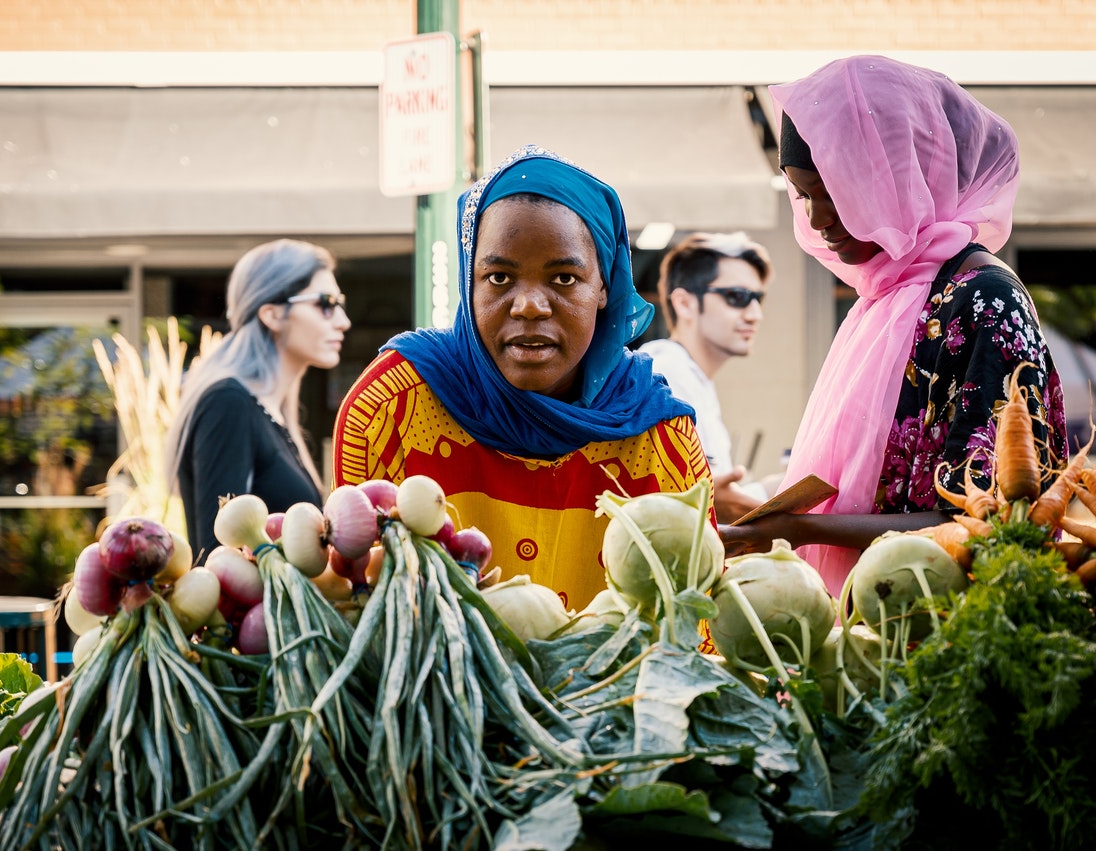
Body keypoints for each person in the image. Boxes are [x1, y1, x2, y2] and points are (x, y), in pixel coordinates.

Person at [721, 55, 1068, 595]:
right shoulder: (884, 299)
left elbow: (997, 526)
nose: (815, 220)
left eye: (833, 193)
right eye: (804, 195)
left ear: (904, 176)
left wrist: (799, 529)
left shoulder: (984, 301)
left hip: (950, 638)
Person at [333, 144, 711, 610]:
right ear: (469, 283)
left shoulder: (656, 436)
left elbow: (695, 628)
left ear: (603, 287)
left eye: (564, 278)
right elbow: (357, 597)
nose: (529, 305)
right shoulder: (391, 407)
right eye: (498, 278)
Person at [168, 239, 350, 556]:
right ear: (272, 314)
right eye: (326, 303)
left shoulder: (271, 414)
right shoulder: (228, 404)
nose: (342, 321)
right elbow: (219, 559)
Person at [639, 231, 773, 523]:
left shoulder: (689, 375)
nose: (754, 314)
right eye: (737, 297)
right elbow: (668, 508)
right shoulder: (664, 376)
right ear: (685, 303)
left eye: (757, 299)